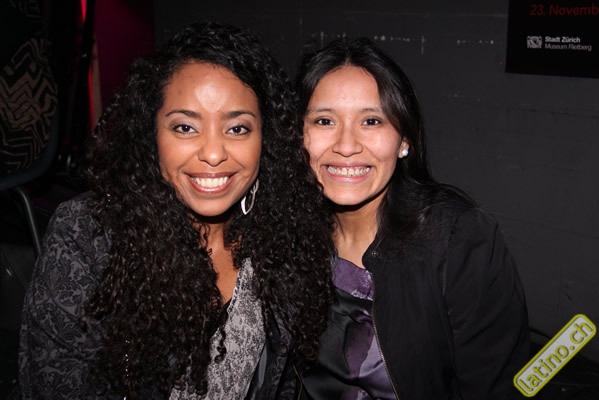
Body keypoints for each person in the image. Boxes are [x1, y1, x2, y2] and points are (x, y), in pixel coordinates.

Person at [19, 21, 334, 400]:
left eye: (237, 129)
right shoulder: (88, 234)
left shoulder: (282, 237)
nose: (213, 153)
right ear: (151, 133)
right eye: (185, 127)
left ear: (265, 139)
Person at [295, 37, 530, 399]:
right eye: (324, 121)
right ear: (297, 136)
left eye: (371, 121)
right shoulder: (286, 232)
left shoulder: (458, 240)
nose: (346, 145)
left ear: (404, 139)